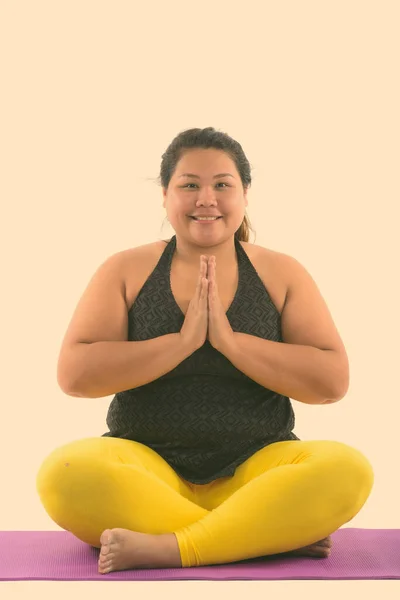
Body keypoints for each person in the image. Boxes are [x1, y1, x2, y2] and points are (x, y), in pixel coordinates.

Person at [36, 127, 374, 575]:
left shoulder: (281, 272)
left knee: (348, 470)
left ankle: (173, 547)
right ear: (165, 195)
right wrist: (180, 343)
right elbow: (75, 376)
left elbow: (331, 383)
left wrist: (231, 343)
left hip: (257, 474)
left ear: (245, 194)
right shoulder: (126, 269)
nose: (206, 198)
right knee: (63, 473)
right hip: (147, 472)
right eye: (189, 185)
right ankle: (261, 535)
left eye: (222, 185)